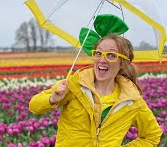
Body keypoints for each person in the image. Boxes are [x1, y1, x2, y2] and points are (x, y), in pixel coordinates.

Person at [29, 33, 163, 146]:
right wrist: (52, 98)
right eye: (98, 53)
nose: (102, 60)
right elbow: (34, 106)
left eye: (111, 55)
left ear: (123, 63)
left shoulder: (131, 100)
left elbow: (152, 135)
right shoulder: (75, 84)